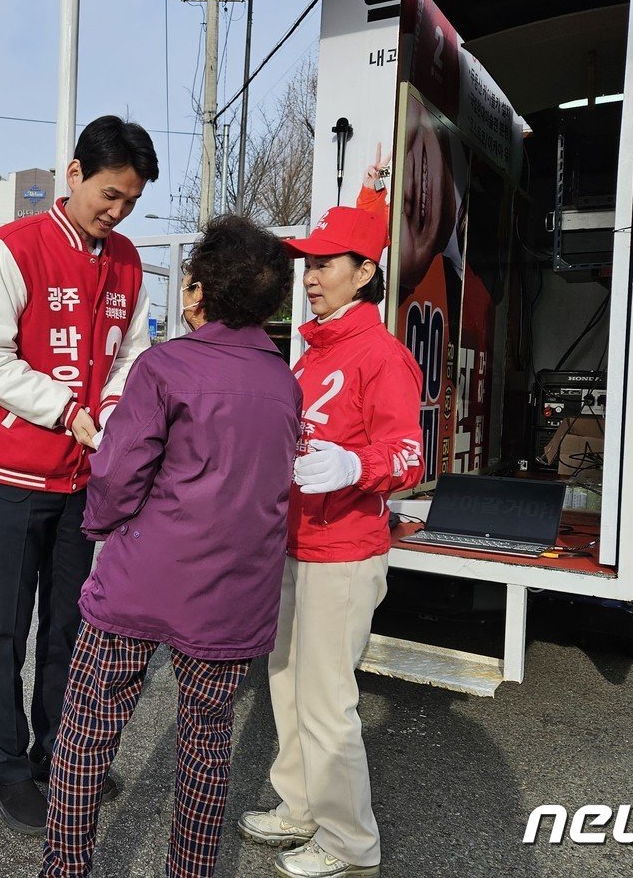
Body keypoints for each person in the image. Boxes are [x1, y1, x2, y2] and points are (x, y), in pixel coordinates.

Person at [41, 215, 301, 878]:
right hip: (232, 596)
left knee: (88, 729)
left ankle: (66, 868)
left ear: (201, 289)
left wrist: (99, 524)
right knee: (207, 746)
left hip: (140, 582)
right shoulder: (283, 382)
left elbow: (119, 474)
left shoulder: (166, 366)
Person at [0, 115, 157, 835]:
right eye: (109, 193)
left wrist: (110, 403)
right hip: (14, 470)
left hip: (84, 477)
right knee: (6, 626)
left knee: (70, 626)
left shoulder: (129, 262)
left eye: (130, 201)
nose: (117, 210)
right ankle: (5, 769)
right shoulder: (10, 250)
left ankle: (57, 756)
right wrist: (68, 408)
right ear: (73, 175)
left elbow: (134, 351)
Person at [238, 206, 425, 878]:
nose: (310, 276)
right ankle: (299, 805)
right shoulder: (313, 353)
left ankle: (350, 843)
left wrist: (357, 466)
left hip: (343, 551)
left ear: (365, 271)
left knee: (326, 701)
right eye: (308, 263)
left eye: (325, 263)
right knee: (285, 684)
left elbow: (409, 454)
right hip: (292, 546)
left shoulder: (382, 355)